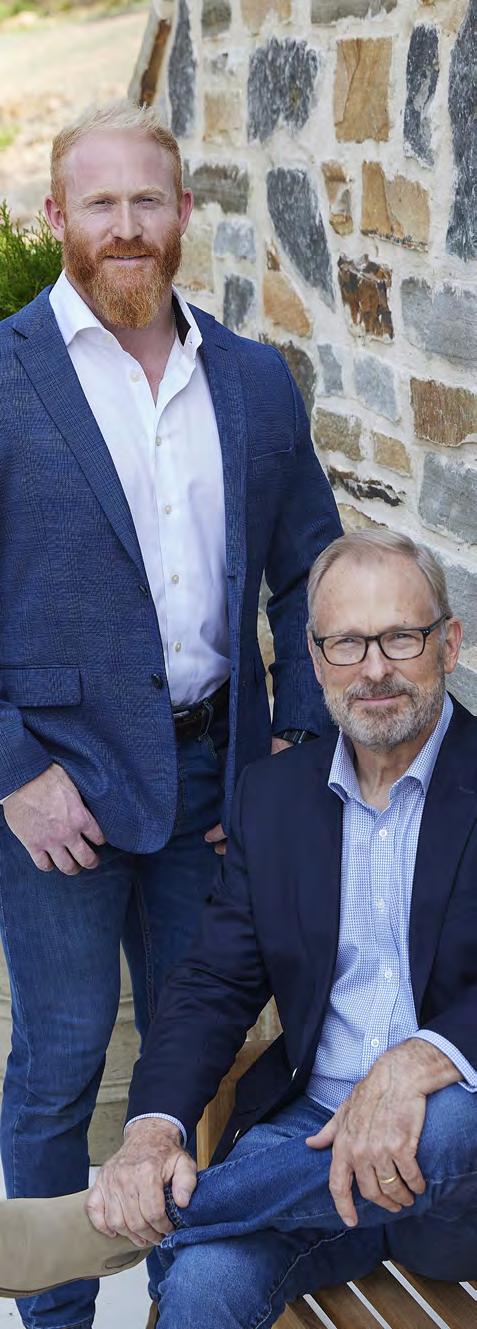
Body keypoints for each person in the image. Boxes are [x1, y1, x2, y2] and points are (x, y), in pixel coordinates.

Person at [0, 98, 341, 1329]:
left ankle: (184, 1297)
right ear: (57, 217)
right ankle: (53, 1319)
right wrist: (12, 769)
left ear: (185, 211)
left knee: (200, 1054)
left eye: (149, 198)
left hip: (219, 780)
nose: (127, 225)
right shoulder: (6, 376)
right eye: (101, 202)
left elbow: (310, 569)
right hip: (59, 792)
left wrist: (294, 749)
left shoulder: (250, 379)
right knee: (59, 1065)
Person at [2, 528, 472, 1325]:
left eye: (400, 637)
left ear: (448, 643)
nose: (373, 669)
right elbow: (213, 982)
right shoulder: (274, 796)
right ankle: (179, 1218)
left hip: (456, 1184)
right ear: (314, 657)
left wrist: (416, 1059)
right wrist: (151, 1133)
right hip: (307, 1152)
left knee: (452, 1114)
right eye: (346, 643)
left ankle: (135, 1222)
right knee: (202, 1286)